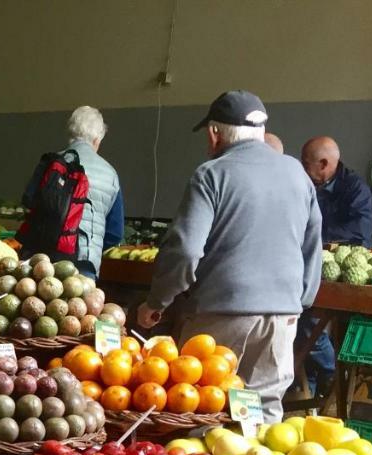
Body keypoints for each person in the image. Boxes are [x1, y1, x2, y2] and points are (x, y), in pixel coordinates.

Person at [137, 90, 322, 423]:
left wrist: (157, 302)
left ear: (213, 133)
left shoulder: (211, 174)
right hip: (282, 317)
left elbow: (186, 250)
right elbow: (312, 245)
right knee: (261, 414)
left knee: (203, 410)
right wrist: (299, 300)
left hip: (221, 314)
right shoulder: (298, 174)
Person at [295, 136, 372, 394]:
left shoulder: (355, 190)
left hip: (339, 276)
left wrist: (315, 236)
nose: (302, 168)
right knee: (304, 326)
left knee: (310, 326)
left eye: (306, 164)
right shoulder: (305, 185)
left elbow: (359, 234)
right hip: (306, 269)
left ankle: (332, 374)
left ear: (324, 164)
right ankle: (317, 385)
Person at [20, 106, 123, 278]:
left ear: (71, 134)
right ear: (98, 139)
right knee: (80, 304)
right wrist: (92, 246)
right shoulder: (110, 174)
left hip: (42, 261)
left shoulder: (51, 163)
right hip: (84, 264)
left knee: (34, 303)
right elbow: (115, 233)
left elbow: (29, 202)